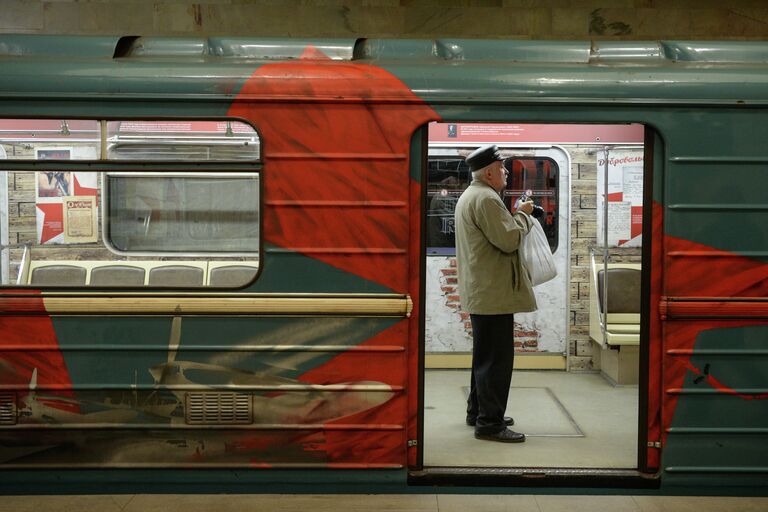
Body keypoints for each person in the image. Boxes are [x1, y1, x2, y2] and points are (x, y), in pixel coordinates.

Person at [454, 144, 536, 443]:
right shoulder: (487, 199)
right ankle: (490, 423)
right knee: (497, 361)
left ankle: (478, 411)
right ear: (488, 172)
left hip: (483, 291)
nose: (504, 172)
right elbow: (509, 239)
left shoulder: (471, 195)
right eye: (501, 168)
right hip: (492, 293)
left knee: (484, 357)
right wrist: (523, 214)